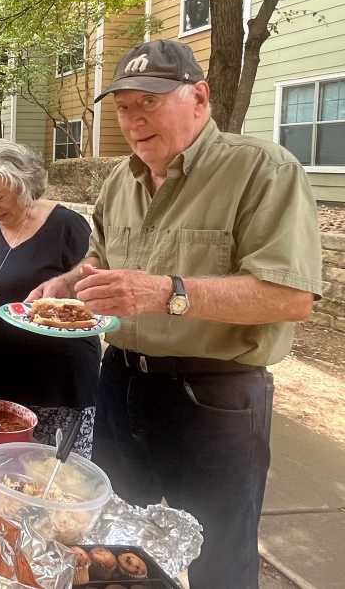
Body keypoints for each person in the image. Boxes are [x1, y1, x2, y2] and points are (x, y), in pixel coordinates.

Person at [28, 39, 322, 587]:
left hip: (215, 398)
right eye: (123, 106)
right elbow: (101, 257)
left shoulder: (261, 169)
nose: (134, 119)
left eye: (150, 101)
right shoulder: (122, 178)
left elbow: (290, 296)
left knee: (218, 559)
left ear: (200, 98)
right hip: (120, 381)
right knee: (112, 543)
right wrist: (69, 281)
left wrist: (167, 292)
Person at [0, 140, 99, 456]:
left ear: (24, 185)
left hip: (55, 382)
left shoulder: (67, 226)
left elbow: (94, 287)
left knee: (49, 475)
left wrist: (65, 289)